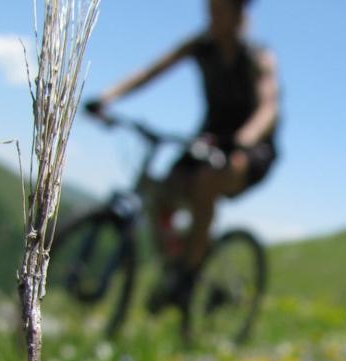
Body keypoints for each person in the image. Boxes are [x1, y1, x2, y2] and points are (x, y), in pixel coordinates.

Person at [86, 0, 279, 310]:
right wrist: (108, 97)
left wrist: (244, 139)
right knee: (162, 192)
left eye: (219, 11)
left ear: (237, 14)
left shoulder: (257, 56)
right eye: (210, 10)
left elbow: (268, 107)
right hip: (209, 138)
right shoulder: (200, 46)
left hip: (251, 148)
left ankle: (189, 276)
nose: (211, 18)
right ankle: (180, 259)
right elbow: (151, 71)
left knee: (207, 180)